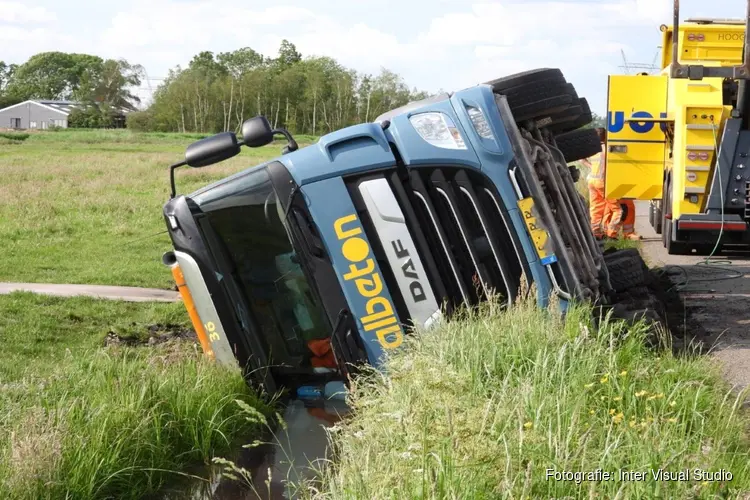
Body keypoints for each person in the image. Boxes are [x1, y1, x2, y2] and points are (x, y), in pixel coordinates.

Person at [583, 128, 621, 240]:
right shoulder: (609, 149)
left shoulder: (592, 149)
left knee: (595, 209)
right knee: (618, 210)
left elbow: (581, 159)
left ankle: (596, 233)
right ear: (606, 136)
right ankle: (611, 234)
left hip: (591, 181)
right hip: (602, 182)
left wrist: (590, 166)